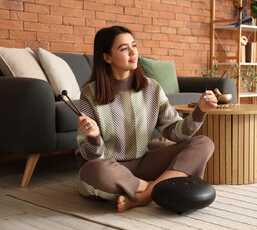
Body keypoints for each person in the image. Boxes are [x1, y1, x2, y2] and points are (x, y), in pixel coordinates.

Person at [76, 25, 218, 213]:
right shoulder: (91, 93)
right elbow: (89, 155)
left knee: (203, 143)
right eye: (124, 48)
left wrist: (200, 111)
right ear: (107, 57)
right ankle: (154, 188)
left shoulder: (152, 88)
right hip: (111, 168)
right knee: (92, 171)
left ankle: (146, 194)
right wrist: (93, 137)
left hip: (143, 163)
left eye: (133, 45)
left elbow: (175, 132)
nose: (133, 52)